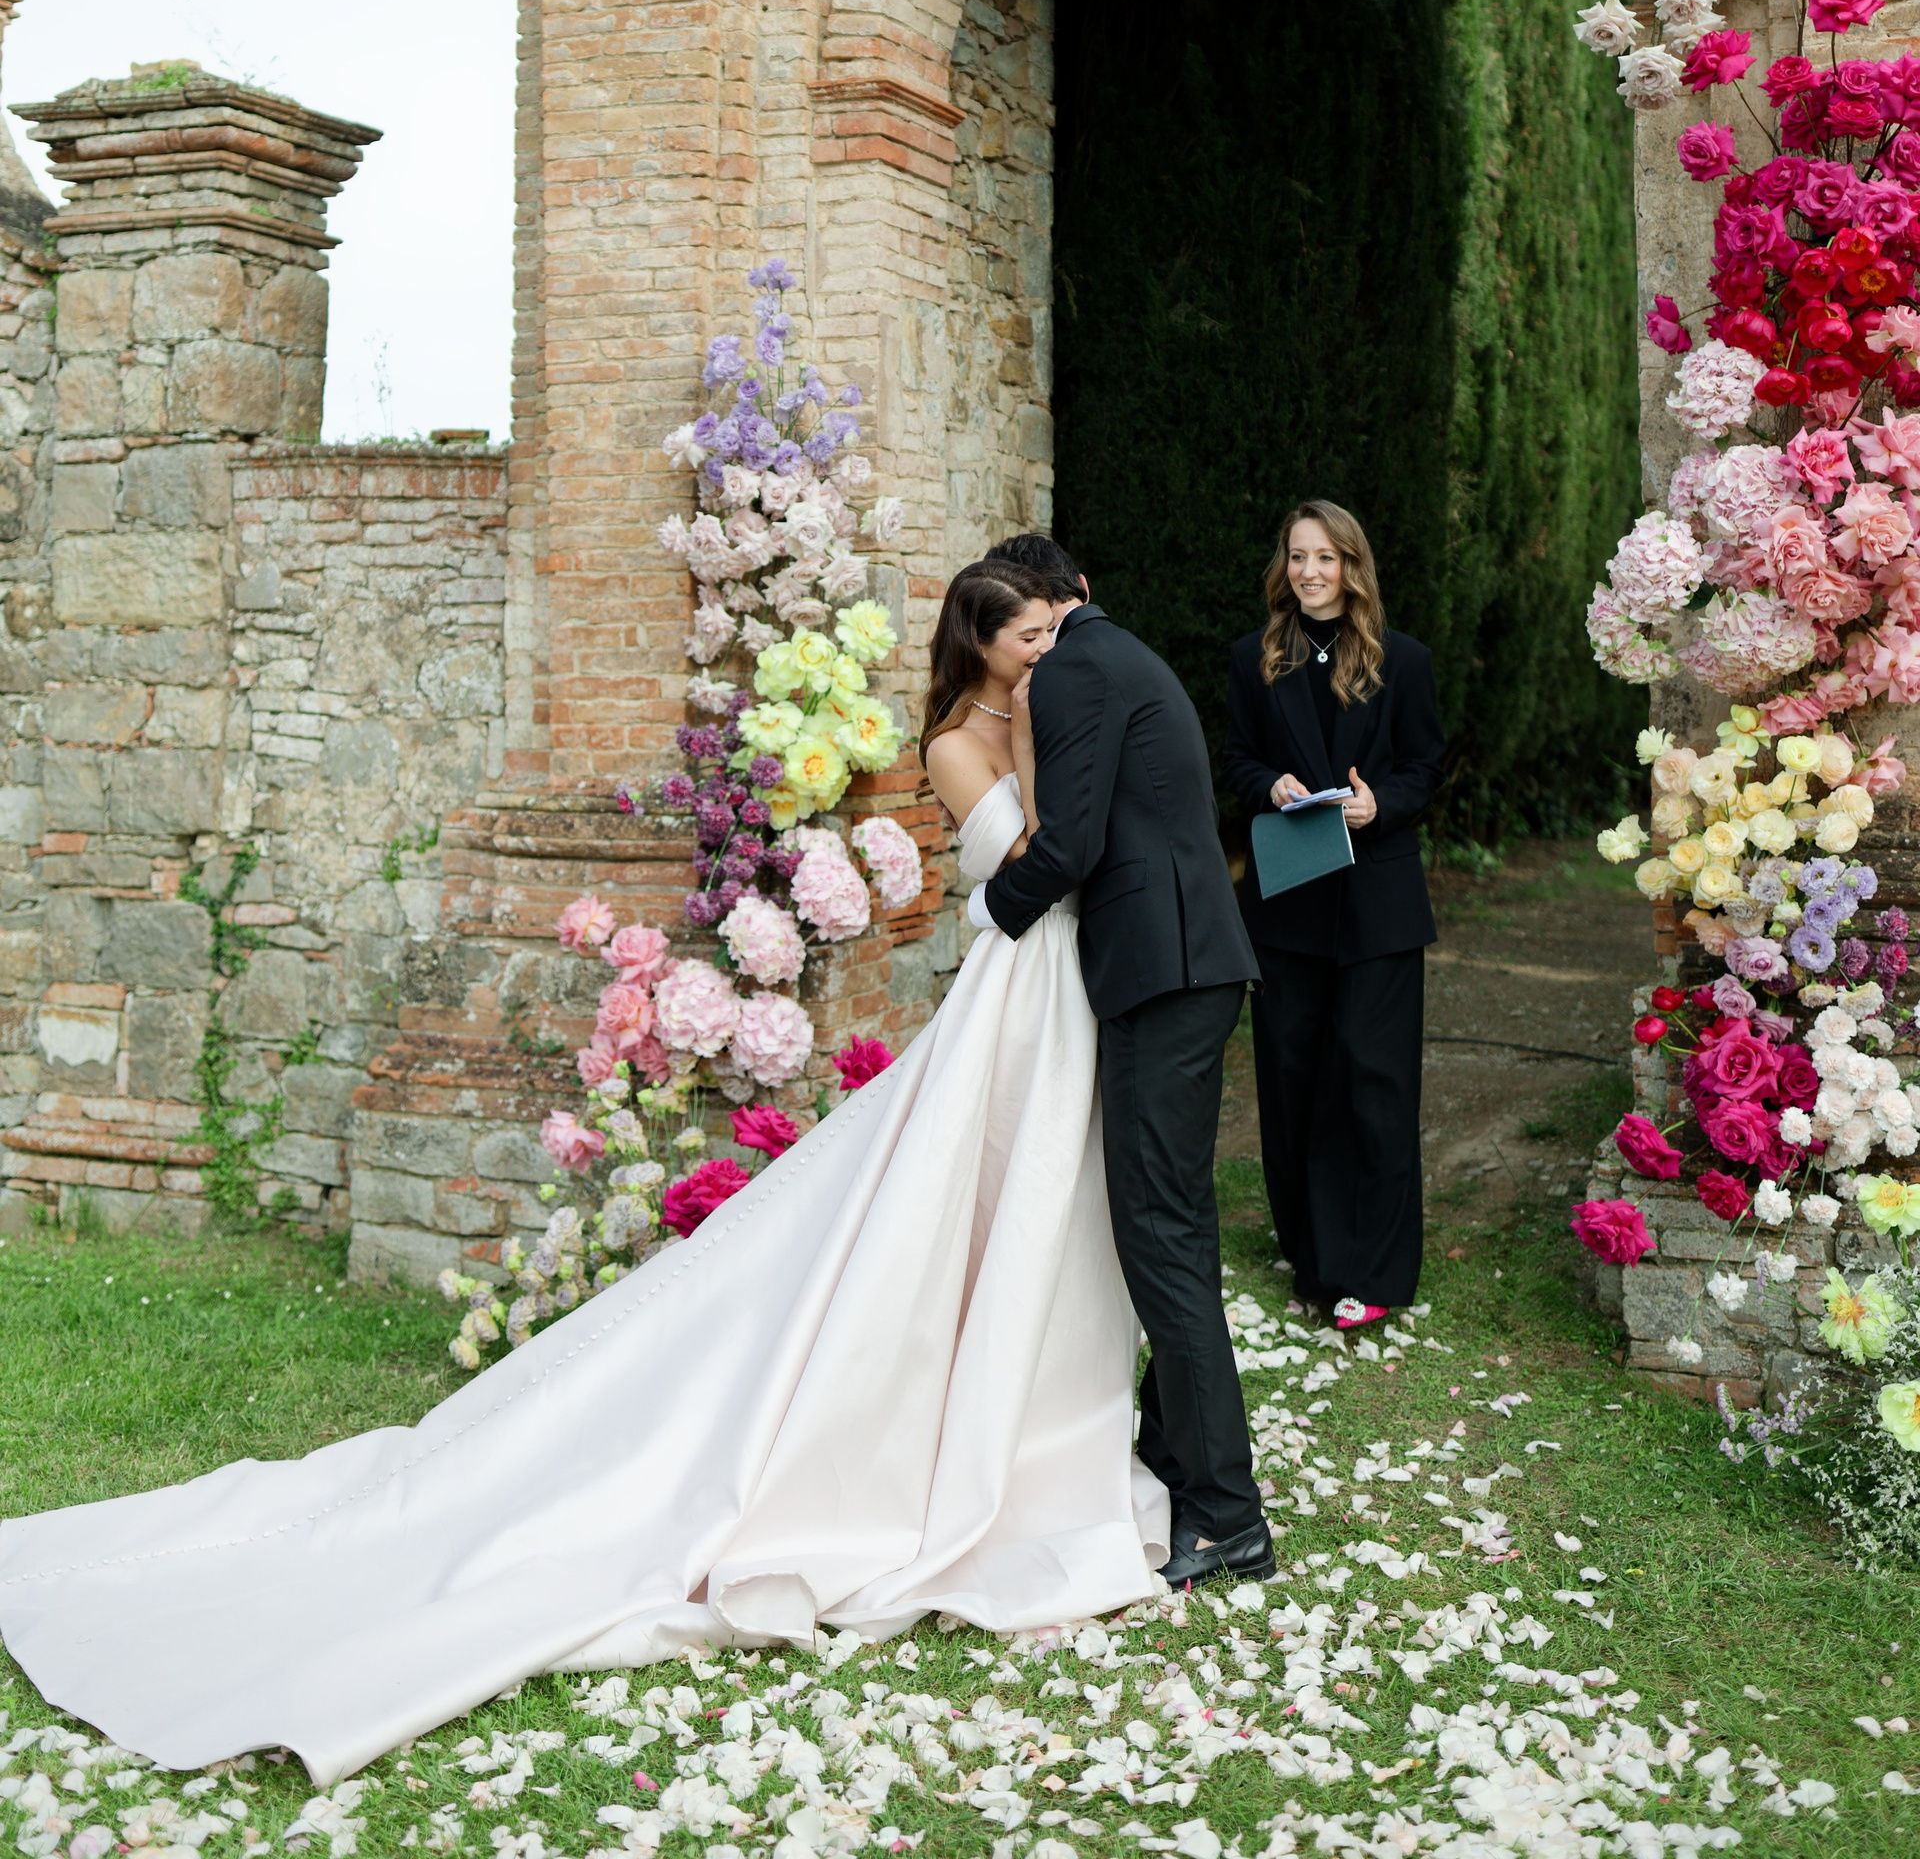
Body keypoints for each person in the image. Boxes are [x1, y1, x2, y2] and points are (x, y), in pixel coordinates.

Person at [0, 560, 1181, 1782]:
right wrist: (1039, 739)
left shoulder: (1048, 703)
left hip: (1061, 976)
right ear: (981, 646)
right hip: (1021, 970)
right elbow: (1036, 853)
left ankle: (1037, 1412)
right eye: (1026, 638)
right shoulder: (956, 742)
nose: (1046, 651)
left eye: (1050, 632)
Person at [979, 533, 1273, 1590]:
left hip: (1162, 973)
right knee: (1169, 1227)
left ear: (1050, 608)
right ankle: (1174, 1459)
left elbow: (1070, 844)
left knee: (1162, 1234)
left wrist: (991, 913)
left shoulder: (1070, 670)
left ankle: (1227, 1516)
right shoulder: (1122, 653)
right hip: (1183, 966)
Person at [1224, 500, 1445, 1329]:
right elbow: (1235, 758)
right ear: (1282, 567)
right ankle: (1315, 1259)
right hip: (1288, 900)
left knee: (1373, 1079)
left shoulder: (1405, 660)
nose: (1310, 571)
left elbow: (1426, 766)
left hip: (1378, 903)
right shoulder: (1252, 659)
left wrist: (1380, 803)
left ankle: (1376, 1272)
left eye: (1326, 557)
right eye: (1298, 556)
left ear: (1353, 567)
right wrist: (1267, 785)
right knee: (1292, 1079)